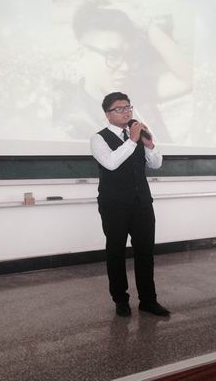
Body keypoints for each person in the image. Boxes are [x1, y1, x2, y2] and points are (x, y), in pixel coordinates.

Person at [53, 0, 193, 142]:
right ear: (81, 54)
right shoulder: (74, 128)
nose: (126, 67)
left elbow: (189, 79)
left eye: (129, 56)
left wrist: (147, 25)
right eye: (112, 55)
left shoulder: (134, 88)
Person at [91, 91, 170, 317]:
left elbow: (156, 164)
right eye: (119, 109)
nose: (126, 112)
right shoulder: (98, 139)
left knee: (145, 252)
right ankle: (120, 300)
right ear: (108, 114)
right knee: (116, 252)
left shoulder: (136, 135)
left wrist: (149, 145)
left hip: (142, 203)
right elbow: (111, 163)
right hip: (114, 205)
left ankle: (148, 300)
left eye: (128, 107)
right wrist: (132, 141)